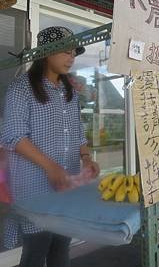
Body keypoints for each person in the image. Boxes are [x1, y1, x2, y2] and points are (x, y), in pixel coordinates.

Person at [1, 26, 100, 267]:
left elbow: (78, 133)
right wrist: (50, 167)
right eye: (66, 52)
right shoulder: (21, 89)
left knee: (61, 248)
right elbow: (13, 135)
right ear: (47, 53)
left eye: (74, 53)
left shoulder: (70, 92)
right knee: (36, 250)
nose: (72, 58)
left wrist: (86, 158)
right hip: (33, 186)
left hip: (65, 185)